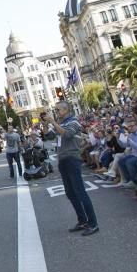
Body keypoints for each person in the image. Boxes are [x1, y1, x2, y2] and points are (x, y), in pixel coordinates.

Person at [47, 101, 99, 235]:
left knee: (80, 191)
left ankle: (93, 223)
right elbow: (49, 136)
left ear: (66, 110)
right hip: (62, 158)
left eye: (58, 110)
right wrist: (45, 124)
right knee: (70, 193)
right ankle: (82, 220)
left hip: (72, 158)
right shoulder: (61, 123)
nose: (56, 112)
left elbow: (67, 134)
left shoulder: (74, 122)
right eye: (56, 110)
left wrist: (53, 121)